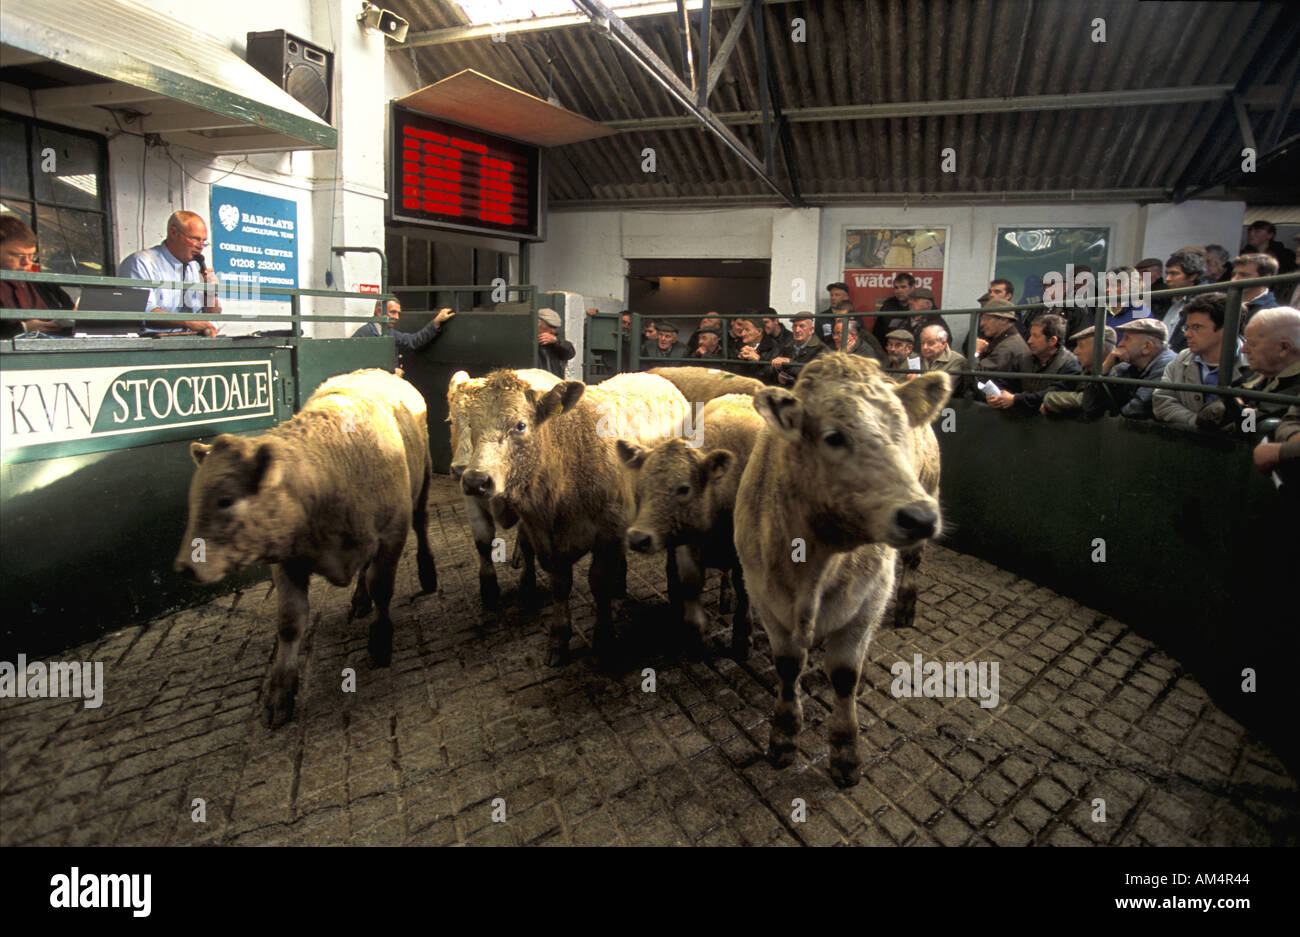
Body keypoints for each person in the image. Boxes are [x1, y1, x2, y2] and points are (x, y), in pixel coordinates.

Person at [118, 210, 222, 336]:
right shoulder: (142, 263)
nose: (200, 246)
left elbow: (211, 315)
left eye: (203, 241)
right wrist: (187, 322)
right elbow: (143, 312)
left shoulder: (195, 267)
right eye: (195, 239)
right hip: (151, 344)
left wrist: (209, 292)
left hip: (190, 340)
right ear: (173, 232)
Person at [1153, 293, 1246, 428]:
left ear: (1227, 329)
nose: (1187, 334)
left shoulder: (1257, 364)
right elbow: (1162, 402)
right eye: (1187, 327)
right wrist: (1196, 421)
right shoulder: (1181, 360)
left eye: (1197, 327)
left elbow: (1254, 418)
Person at [1084, 318, 1177, 420]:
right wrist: (1105, 368)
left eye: (1127, 338)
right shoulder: (1126, 367)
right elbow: (1090, 406)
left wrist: (1114, 418)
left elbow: (1136, 409)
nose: (1120, 344)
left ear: (1147, 347)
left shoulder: (1169, 365)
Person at [987, 314, 1081, 414]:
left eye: (1036, 336)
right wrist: (996, 395)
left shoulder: (1069, 364)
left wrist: (1015, 399)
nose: (1029, 341)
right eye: (1030, 335)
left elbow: (1052, 394)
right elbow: (1006, 383)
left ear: (1052, 341)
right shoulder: (1024, 359)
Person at [0, 217, 74, 337]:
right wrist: (24, 329)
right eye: (18, 255)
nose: (27, 262)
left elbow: (71, 311)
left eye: (31, 256)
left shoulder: (44, 284)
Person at [352, 298, 454, 374]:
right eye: (393, 312)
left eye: (398, 313)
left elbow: (413, 341)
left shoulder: (389, 332)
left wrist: (436, 322)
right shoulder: (365, 334)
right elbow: (359, 367)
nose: (397, 317)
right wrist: (391, 371)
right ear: (379, 312)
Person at [1042, 325, 1116, 416]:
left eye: (1081, 346)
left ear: (1101, 349)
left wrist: (1049, 399)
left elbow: (1089, 402)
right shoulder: (1083, 373)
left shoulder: (1116, 374)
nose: (1075, 352)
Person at [974, 300, 1031, 392]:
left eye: (986, 319)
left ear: (1004, 320)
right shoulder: (1008, 340)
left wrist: (976, 351)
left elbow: (977, 376)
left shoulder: (1007, 347)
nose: (982, 324)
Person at [1160, 248, 1208, 353]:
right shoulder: (1162, 300)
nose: (1167, 278)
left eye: (1174, 274)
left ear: (1192, 276)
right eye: (1167, 274)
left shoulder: (1200, 304)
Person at [770, 314, 824, 386]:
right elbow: (774, 372)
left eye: (802, 326)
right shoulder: (787, 347)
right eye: (794, 326)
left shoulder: (821, 350)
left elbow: (815, 376)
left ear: (811, 330)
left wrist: (790, 364)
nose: (797, 330)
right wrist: (778, 375)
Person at [1229, 253, 1281, 327]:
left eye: (1244, 275)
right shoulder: (1223, 302)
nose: (1234, 279)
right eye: (1233, 274)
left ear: (1265, 278)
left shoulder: (1272, 312)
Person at [918, 322, 968, 396]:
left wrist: (915, 383)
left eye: (930, 343)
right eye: (922, 343)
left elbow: (942, 390)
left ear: (943, 344)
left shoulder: (956, 361)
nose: (925, 347)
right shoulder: (918, 359)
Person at [537, 307, 576, 377]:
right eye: (550, 326)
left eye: (555, 328)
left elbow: (570, 353)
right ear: (538, 323)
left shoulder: (554, 342)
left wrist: (556, 341)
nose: (553, 331)